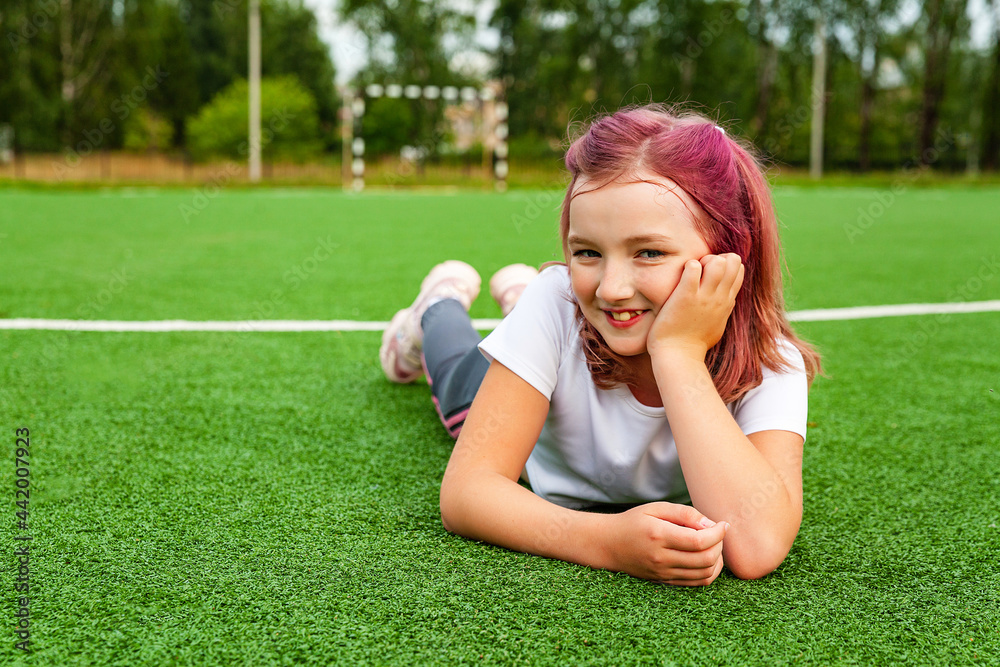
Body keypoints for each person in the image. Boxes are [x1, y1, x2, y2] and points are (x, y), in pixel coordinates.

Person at [379, 104, 821, 586]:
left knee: (550, 310)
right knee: (459, 380)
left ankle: (515, 302)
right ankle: (436, 305)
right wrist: (607, 541)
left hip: (559, 327)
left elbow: (756, 546)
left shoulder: (771, 359)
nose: (611, 287)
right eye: (586, 252)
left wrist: (677, 354)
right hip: (526, 379)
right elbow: (467, 494)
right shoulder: (558, 300)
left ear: (729, 255)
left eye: (648, 252)